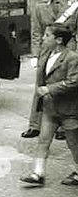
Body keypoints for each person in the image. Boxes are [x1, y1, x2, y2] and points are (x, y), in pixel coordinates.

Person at [19, 23, 78, 187]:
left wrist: (49, 89)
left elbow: (74, 82)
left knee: (74, 144)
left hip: (69, 110)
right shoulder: (46, 55)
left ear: (58, 40)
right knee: (43, 141)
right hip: (49, 108)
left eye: (47, 36)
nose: (43, 38)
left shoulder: (72, 57)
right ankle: (38, 174)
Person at [22, 0, 76, 140]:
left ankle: (62, 127)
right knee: (40, 86)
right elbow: (36, 32)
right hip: (47, 50)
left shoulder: (74, 6)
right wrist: (36, 55)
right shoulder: (40, 7)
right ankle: (35, 125)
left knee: (64, 87)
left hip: (68, 50)